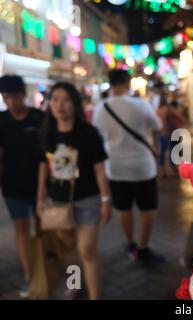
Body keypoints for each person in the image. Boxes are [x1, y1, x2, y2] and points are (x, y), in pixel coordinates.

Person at [37, 82, 112, 300]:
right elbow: (43, 168)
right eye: (56, 99)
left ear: (75, 104)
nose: (61, 105)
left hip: (88, 198)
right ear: (50, 103)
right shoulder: (47, 133)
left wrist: (106, 200)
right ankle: (75, 284)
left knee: (87, 249)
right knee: (68, 246)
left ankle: (95, 295)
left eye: (67, 100)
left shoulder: (88, 133)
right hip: (57, 200)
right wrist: (40, 198)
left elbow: (99, 169)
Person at [93, 70, 164, 264]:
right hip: (142, 166)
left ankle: (130, 243)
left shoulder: (100, 108)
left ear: (110, 83)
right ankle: (143, 248)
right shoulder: (140, 104)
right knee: (147, 209)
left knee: (124, 209)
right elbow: (157, 125)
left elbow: (98, 133)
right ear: (128, 83)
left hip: (115, 167)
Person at [0, 75, 45, 298]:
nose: (11, 102)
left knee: (42, 225)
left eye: (14, 97)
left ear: (23, 95)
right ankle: (29, 274)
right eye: (5, 97)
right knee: (21, 228)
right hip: (12, 185)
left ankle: (46, 265)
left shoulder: (39, 118)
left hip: (41, 184)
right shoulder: (1, 120)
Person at [157, 99, 185, 178]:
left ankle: (162, 171)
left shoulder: (157, 110)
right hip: (169, 133)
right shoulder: (170, 109)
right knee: (172, 152)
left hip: (161, 133)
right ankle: (173, 170)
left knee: (162, 152)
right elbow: (181, 118)